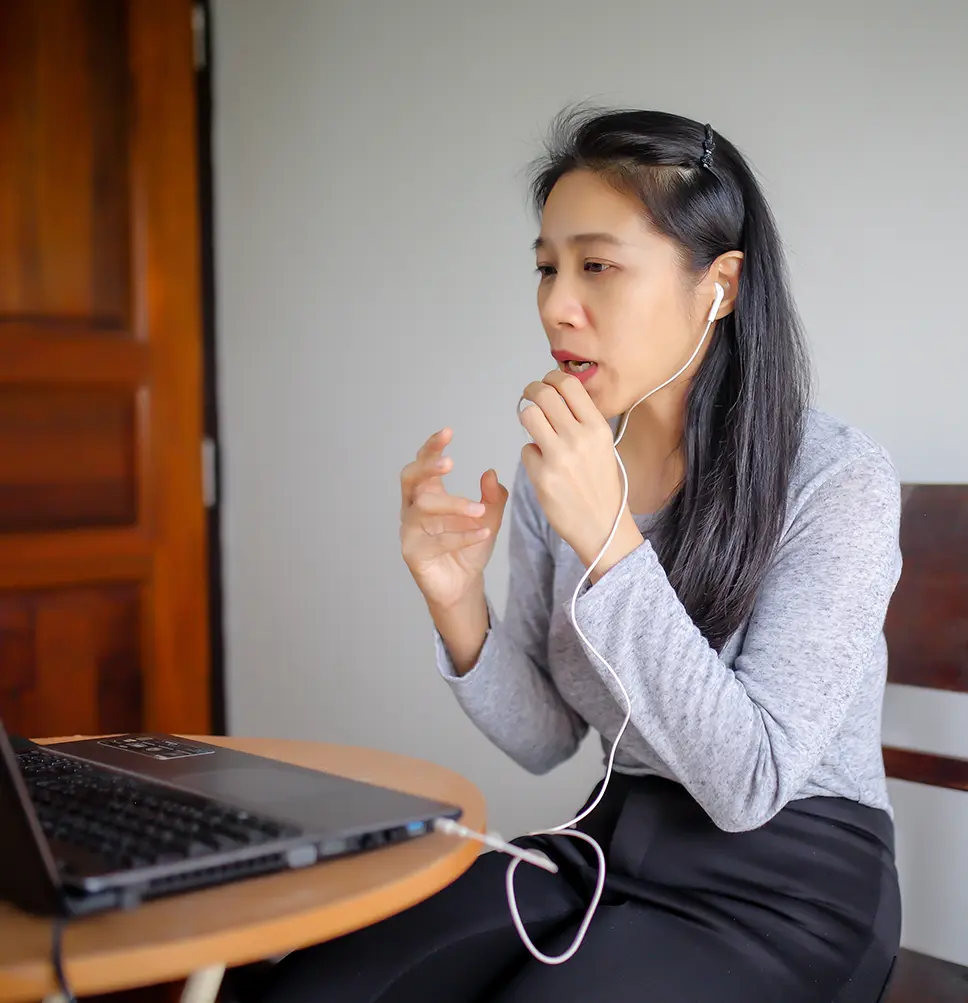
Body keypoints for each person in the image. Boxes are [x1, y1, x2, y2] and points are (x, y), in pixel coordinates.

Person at [253, 107, 903, 1002]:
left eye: (598, 265)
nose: (557, 304)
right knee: (313, 985)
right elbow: (548, 737)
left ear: (720, 285)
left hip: (788, 886)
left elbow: (750, 782)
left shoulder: (836, 480)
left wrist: (611, 541)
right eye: (547, 267)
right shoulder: (565, 466)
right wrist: (459, 605)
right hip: (604, 848)